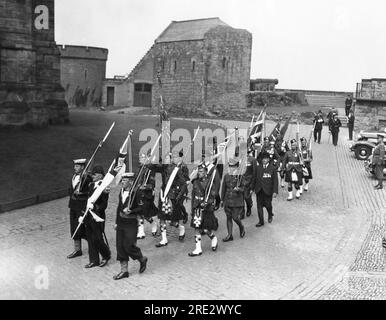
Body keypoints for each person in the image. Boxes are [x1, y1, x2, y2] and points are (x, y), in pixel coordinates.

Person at [113, 172, 148, 280]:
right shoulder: (122, 191)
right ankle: (124, 271)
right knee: (120, 246)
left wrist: (131, 210)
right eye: (122, 180)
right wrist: (116, 222)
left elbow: (142, 208)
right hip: (121, 222)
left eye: (125, 180)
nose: (122, 182)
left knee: (128, 246)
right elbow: (119, 207)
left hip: (131, 223)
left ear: (131, 181)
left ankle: (141, 259)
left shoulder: (136, 192)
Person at [150, 152, 188, 248]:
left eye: (168, 158)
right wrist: (152, 158)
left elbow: (184, 184)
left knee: (173, 221)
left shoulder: (177, 170)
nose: (165, 160)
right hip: (163, 195)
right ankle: (164, 239)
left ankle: (181, 228)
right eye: (164, 158)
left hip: (172, 196)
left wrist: (179, 196)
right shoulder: (163, 168)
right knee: (162, 217)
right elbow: (152, 167)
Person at [189, 163, 219, 257]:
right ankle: (198, 249)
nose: (199, 173)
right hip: (197, 208)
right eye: (199, 171)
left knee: (206, 229)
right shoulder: (195, 182)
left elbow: (213, 195)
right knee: (197, 228)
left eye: (201, 171)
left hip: (206, 208)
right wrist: (192, 208)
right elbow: (193, 196)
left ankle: (213, 238)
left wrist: (207, 202)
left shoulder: (210, 183)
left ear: (206, 172)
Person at [84, 165, 111, 268]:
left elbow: (104, 204)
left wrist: (95, 208)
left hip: (98, 215)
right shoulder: (91, 185)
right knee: (90, 238)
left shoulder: (104, 187)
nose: (93, 176)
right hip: (88, 215)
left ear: (100, 175)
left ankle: (106, 255)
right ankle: (94, 260)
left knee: (98, 238)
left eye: (94, 174)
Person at [67, 159, 92, 259]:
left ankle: (95, 244)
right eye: (75, 166)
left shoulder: (87, 178)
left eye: (77, 166)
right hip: (73, 205)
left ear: (82, 167)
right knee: (74, 227)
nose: (75, 168)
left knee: (83, 228)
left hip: (82, 206)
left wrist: (81, 194)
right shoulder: (74, 177)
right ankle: (77, 250)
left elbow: (90, 192)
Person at [221, 158, 246, 242]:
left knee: (235, 217)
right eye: (230, 166)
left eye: (233, 167)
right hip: (228, 200)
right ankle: (229, 235)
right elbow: (223, 188)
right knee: (228, 217)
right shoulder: (226, 176)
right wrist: (221, 200)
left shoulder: (240, 176)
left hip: (237, 201)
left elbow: (243, 188)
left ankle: (241, 227)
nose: (231, 168)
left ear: (237, 167)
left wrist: (239, 189)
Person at [253, 152, 278, 227]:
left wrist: (275, 191)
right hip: (259, 190)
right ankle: (261, 221)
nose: (264, 160)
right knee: (259, 206)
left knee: (268, 205)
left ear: (268, 159)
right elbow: (254, 178)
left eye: (266, 159)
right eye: (263, 159)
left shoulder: (272, 169)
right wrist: (252, 188)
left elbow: (275, 181)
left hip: (268, 191)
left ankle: (270, 214)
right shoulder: (258, 168)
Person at [136, 154, 158, 240]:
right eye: (140, 158)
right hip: (139, 194)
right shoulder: (140, 169)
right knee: (139, 212)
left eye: (143, 158)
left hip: (147, 195)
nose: (141, 159)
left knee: (145, 214)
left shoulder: (150, 171)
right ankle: (141, 232)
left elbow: (152, 185)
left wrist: (144, 187)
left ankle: (153, 223)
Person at [242, 150, 258, 219]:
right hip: (240, 181)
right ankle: (242, 212)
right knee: (240, 197)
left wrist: (253, 185)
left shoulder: (253, 160)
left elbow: (254, 172)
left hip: (248, 181)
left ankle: (249, 207)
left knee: (246, 197)